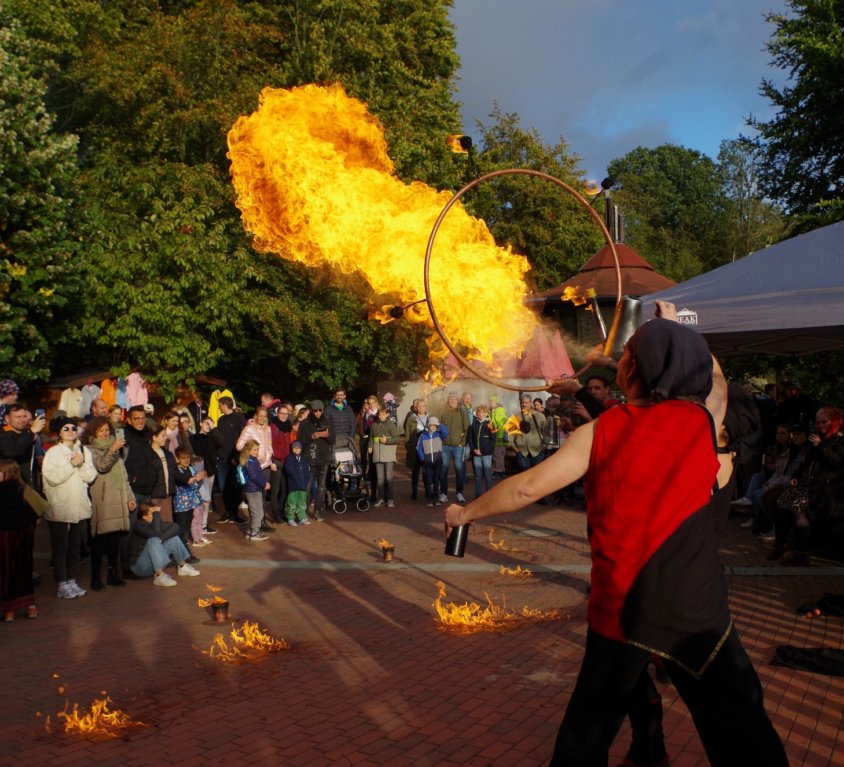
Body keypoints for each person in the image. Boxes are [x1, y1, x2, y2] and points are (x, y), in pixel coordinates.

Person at [444, 305, 788, 767]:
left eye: (626, 355)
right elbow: (717, 381)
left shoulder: (601, 431)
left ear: (633, 370)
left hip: (622, 613)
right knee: (745, 733)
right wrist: (680, 326)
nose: (620, 361)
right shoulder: (701, 422)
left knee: (586, 737)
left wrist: (465, 513)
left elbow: (526, 487)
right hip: (696, 612)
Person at [41, 417, 97, 599]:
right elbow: (52, 478)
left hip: (79, 506)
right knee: (60, 547)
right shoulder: (53, 453)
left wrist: (80, 464)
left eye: (74, 428)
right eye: (66, 428)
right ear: (59, 432)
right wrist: (71, 464)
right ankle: (62, 583)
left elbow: (90, 476)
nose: (71, 431)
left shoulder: (84, 451)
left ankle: (72, 580)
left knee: (75, 547)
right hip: (60, 506)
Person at [83, 416, 134, 591]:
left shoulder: (116, 449)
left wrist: (130, 497)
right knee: (99, 540)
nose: (105, 433)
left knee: (114, 541)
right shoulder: (90, 449)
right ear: (93, 432)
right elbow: (102, 466)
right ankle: (95, 577)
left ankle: (113, 574)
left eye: (107, 430)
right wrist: (112, 449)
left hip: (118, 497)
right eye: (101, 430)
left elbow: (124, 476)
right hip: (103, 499)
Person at [0, 460, 38, 620]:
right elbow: (36, 512)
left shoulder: (6, 491)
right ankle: (28, 606)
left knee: (6, 571)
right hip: (23, 536)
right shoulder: (25, 490)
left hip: (6, 536)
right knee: (22, 570)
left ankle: (10, 609)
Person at [127, 503, 200, 587]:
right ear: (144, 517)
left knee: (172, 537)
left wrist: (161, 539)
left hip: (152, 564)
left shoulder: (154, 524)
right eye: (152, 514)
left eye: (156, 513)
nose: (155, 516)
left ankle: (182, 566)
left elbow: (175, 526)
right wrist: (156, 514)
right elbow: (156, 533)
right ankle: (159, 576)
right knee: (153, 540)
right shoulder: (138, 525)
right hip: (139, 567)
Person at [235, 406, 276, 530]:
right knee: (256, 495)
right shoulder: (249, 429)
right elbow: (239, 446)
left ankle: (261, 523)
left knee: (263, 494)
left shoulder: (268, 429)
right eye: (260, 415)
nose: (262, 418)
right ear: (256, 416)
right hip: (254, 466)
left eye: (265, 416)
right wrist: (251, 456)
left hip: (266, 465)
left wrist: (270, 459)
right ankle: (257, 524)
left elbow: (269, 445)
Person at [297, 400, 332, 521]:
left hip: (323, 458)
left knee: (321, 486)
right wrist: (312, 437)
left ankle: (317, 510)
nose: (318, 413)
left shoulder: (327, 422)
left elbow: (333, 440)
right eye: (315, 410)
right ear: (311, 410)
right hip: (309, 458)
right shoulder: (305, 423)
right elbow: (300, 441)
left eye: (320, 410)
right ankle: (304, 509)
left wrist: (327, 436)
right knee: (307, 485)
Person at [215, 396, 247, 524]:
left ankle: (235, 512)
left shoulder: (238, 418)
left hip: (235, 458)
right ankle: (228, 511)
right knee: (223, 486)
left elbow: (243, 438)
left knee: (236, 486)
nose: (218, 407)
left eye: (219, 405)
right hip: (222, 458)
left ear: (224, 404)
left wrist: (237, 456)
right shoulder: (221, 420)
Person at [0, 404, 47, 485]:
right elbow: (11, 451)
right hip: (8, 482)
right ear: (7, 418)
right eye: (18, 417)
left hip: (28, 480)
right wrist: (31, 431)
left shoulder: (27, 434)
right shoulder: (3, 433)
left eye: (24, 416)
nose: (23, 420)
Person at [173, 447, 210, 548]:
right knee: (182, 526)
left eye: (188, 457)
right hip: (182, 505)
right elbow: (188, 482)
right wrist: (197, 478)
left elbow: (197, 483)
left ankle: (192, 540)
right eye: (183, 458)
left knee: (192, 522)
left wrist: (201, 477)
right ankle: (182, 546)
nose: (186, 460)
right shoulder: (176, 470)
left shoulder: (190, 468)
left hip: (194, 501)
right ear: (177, 459)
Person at [439, 392, 469, 504]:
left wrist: (462, 443)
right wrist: (441, 440)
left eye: (454, 399)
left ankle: (459, 492)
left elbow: (467, 428)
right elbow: (439, 428)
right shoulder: (443, 412)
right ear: (448, 400)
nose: (452, 401)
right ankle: (443, 493)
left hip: (458, 446)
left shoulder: (462, 412)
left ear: (458, 401)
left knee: (459, 469)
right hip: (445, 445)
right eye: (451, 399)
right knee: (443, 469)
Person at [239, 439, 270, 541]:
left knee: (254, 512)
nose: (257, 452)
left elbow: (257, 475)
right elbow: (254, 476)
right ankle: (254, 533)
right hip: (253, 490)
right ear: (248, 450)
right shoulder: (250, 462)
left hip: (254, 489)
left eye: (258, 449)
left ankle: (250, 530)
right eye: (255, 449)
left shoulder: (251, 460)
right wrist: (264, 484)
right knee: (258, 512)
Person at [368, 406, 399, 507]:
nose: (380, 416)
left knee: (388, 477)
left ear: (387, 414)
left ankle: (390, 499)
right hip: (377, 454)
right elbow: (371, 437)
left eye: (383, 414)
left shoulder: (391, 425)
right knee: (380, 478)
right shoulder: (374, 425)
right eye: (379, 414)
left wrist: (387, 441)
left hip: (389, 454)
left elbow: (396, 439)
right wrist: (370, 446)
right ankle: (380, 498)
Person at [417, 416, 448, 507]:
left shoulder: (439, 435)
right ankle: (429, 498)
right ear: (428, 425)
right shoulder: (423, 436)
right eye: (431, 425)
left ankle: (436, 498)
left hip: (437, 461)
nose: (433, 427)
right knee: (429, 480)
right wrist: (422, 458)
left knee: (436, 480)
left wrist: (439, 424)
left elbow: (446, 432)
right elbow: (419, 448)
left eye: (435, 425)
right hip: (427, 462)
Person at [468, 404, 496, 497]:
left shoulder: (490, 424)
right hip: (476, 454)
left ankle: (489, 495)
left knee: (487, 474)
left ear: (486, 413)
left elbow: (493, 440)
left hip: (487, 454)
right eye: (479, 412)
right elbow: (470, 438)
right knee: (478, 475)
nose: (481, 414)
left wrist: (483, 451)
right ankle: (478, 495)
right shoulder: (473, 424)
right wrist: (473, 449)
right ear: (477, 413)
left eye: (483, 412)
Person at [403, 399, 428, 500]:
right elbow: (407, 433)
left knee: (426, 471)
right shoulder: (411, 418)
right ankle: (414, 491)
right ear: (416, 408)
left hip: (426, 448)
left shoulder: (429, 418)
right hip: (415, 448)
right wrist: (408, 446)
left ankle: (427, 490)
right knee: (415, 471)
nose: (421, 408)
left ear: (425, 407)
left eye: (423, 406)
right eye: (419, 406)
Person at [283, 441, 311, 526]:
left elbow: (306, 471)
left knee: (302, 502)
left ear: (301, 449)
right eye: (295, 448)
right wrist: (295, 477)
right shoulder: (290, 458)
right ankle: (290, 518)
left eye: (298, 448)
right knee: (292, 503)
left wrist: (306, 480)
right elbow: (288, 469)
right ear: (292, 449)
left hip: (302, 485)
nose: (297, 449)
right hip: (294, 485)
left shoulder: (303, 459)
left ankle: (302, 518)